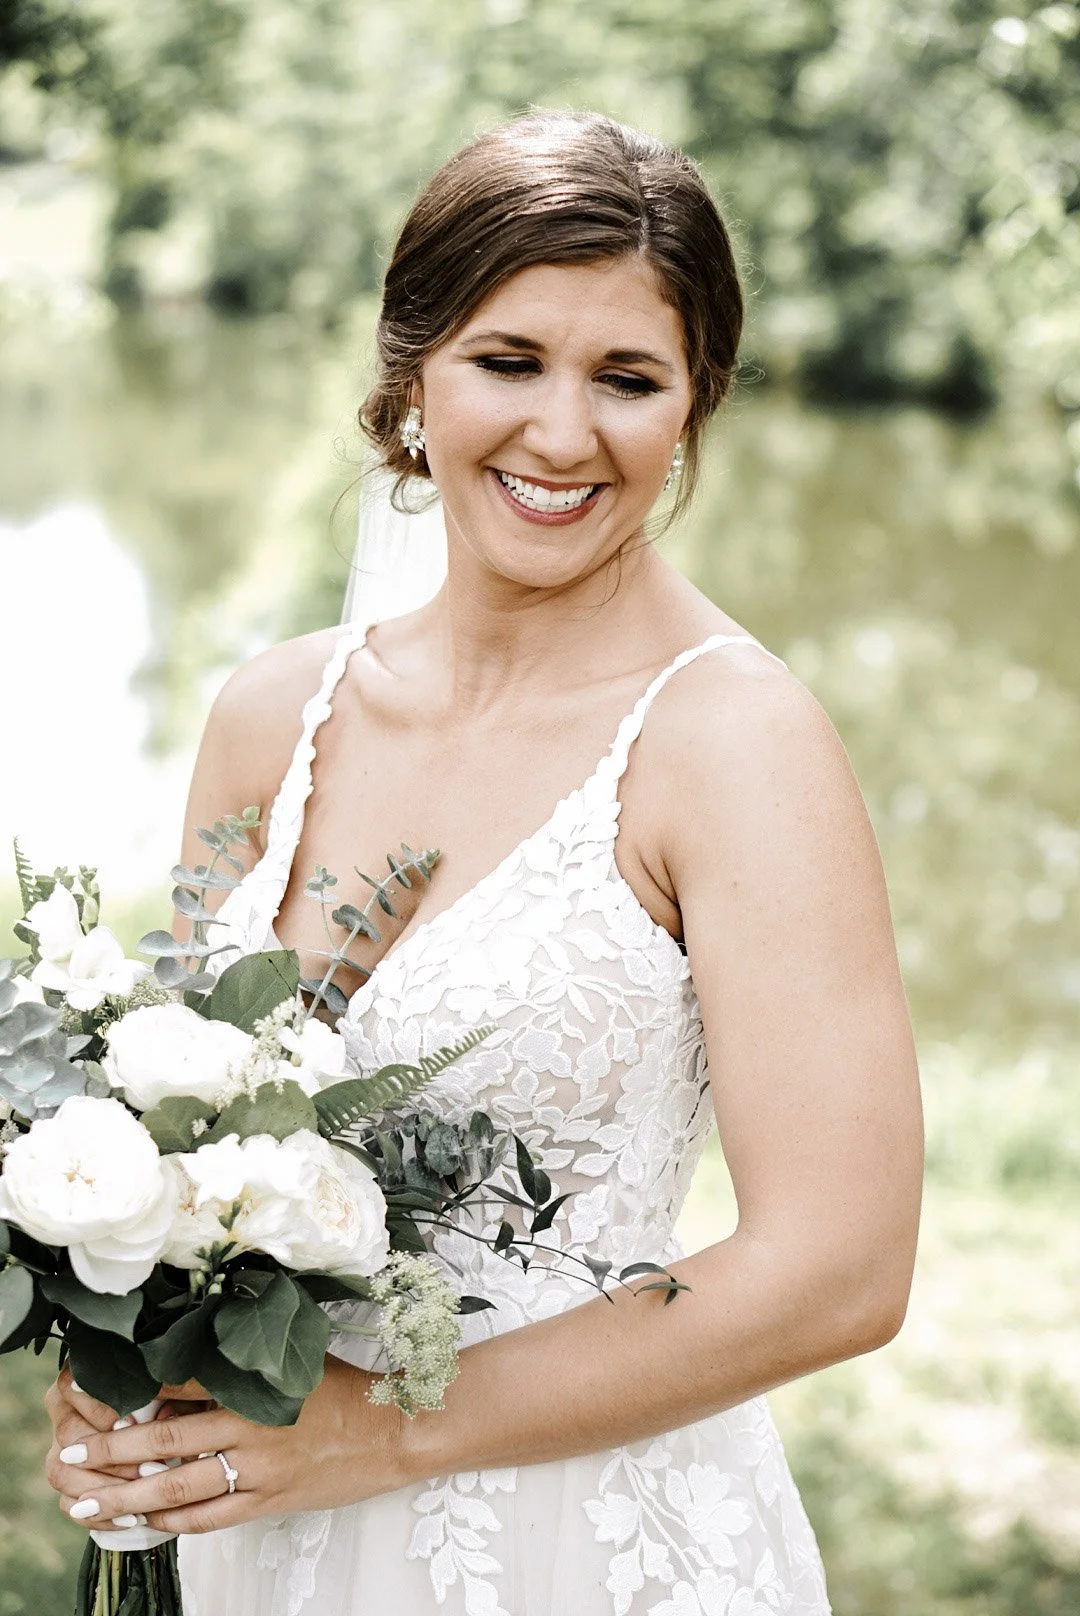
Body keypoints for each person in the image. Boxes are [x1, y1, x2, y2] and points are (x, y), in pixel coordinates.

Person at [44, 111, 923, 1615]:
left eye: (628, 380)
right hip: (271, 1537)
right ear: (412, 375)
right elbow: (176, 1128)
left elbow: (839, 1268)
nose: (564, 434)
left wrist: (374, 1435)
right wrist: (122, 1336)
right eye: (508, 361)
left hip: (579, 1536)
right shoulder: (272, 714)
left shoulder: (734, 742)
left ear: (692, 405)